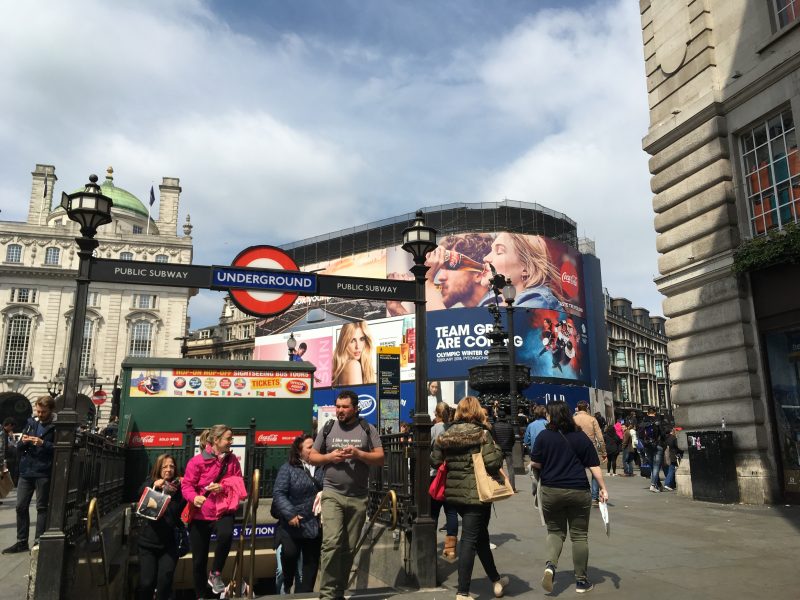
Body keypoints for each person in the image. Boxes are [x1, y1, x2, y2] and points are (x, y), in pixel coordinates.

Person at [307, 390, 384, 600]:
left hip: (359, 497)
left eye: (344, 407)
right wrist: (330, 457)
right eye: (338, 406)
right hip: (332, 493)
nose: (340, 411)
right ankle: (327, 594)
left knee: (348, 549)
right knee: (331, 542)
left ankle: (338, 591)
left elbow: (380, 458)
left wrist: (359, 454)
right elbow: (312, 457)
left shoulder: (367, 429)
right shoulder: (328, 428)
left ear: (355, 408)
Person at [430, 396, 509, 600]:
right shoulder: (482, 433)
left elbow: (434, 460)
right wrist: (498, 450)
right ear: (476, 411)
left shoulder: (447, 433)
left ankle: (495, 579)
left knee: (480, 537)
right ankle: (462, 592)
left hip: (453, 494)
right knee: (469, 540)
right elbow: (492, 463)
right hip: (476, 494)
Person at [531, 401, 609, 594]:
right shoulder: (580, 437)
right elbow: (594, 465)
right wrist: (603, 488)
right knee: (579, 536)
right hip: (578, 490)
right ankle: (581, 581)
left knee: (555, 532)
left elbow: (535, 463)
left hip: (551, 491)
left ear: (551, 416)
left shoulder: (544, 436)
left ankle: (550, 566)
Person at [181, 424, 245, 597]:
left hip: (223, 511)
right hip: (200, 515)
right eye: (228, 438)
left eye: (231, 438)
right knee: (198, 561)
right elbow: (187, 485)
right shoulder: (197, 461)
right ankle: (201, 595)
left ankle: (215, 573)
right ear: (216, 440)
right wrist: (194, 497)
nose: (231, 441)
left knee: (226, 534)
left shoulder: (232, 460)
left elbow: (238, 481)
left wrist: (222, 486)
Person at [3, 396, 56, 554]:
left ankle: (38, 541)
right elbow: (18, 447)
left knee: (41, 507)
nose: (40, 414)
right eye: (38, 411)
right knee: (20, 506)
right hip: (26, 470)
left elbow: (61, 449)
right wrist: (24, 441)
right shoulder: (31, 423)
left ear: (50, 411)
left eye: (43, 412)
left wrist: (43, 443)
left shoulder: (56, 426)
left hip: (43, 471)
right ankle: (21, 541)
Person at [272, 435, 324, 593]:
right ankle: (287, 583)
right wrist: (291, 514)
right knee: (289, 554)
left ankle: (305, 595)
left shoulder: (323, 467)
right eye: (309, 447)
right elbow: (279, 493)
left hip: (314, 524)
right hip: (292, 524)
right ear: (299, 451)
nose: (313, 449)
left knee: (311, 565)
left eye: (315, 446)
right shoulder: (287, 468)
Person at [137, 454, 186, 600]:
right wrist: (154, 486)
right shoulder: (151, 483)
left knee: (165, 581)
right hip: (148, 543)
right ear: (158, 469)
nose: (168, 469)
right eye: (165, 466)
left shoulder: (179, 488)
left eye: (171, 466)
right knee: (147, 583)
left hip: (169, 544)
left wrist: (187, 484)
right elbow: (139, 493)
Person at [481, 232, 565, 310]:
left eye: (499, 252)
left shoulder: (537, 300)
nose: (485, 258)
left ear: (526, 268)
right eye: (491, 251)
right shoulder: (491, 299)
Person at [424, 233, 494, 310]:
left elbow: (444, 322)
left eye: (450, 267)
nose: (440, 277)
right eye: (441, 268)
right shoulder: (474, 317)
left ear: (479, 273)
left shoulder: (498, 306)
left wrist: (426, 282)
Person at [430, 402, 459, 562]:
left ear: (436, 413)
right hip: (452, 474)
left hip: (436, 474)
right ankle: (450, 549)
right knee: (451, 511)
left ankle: (430, 544)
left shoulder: (434, 429)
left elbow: (428, 451)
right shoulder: (453, 429)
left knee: (433, 511)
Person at [572, 401, 606, 506]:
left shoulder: (572, 419)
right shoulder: (592, 419)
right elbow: (600, 437)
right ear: (587, 408)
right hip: (590, 447)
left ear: (577, 408)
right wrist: (603, 452)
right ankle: (594, 497)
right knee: (595, 470)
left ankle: (577, 494)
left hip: (574, 447)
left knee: (576, 470)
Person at [332, 321, 375, 386]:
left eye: (362, 339)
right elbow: (357, 396)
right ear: (344, 343)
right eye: (352, 340)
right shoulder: (353, 365)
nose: (357, 346)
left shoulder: (342, 368)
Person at [637, 408, 667, 493]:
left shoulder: (643, 423)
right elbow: (663, 434)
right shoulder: (658, 421)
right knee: (657, 466)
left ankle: (658, 484)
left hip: (647, 446)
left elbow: (639, 435)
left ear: (647, 413)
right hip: (657, 445)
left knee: (652, 465)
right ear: (655, 413)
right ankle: (653, 485)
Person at [491, 410, 517, 493]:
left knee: (500, 468)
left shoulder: (494, 426)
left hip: (499, 449)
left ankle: (501, 485)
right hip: (508, 449)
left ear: (498, 417)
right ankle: (512, 487)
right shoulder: (510, 426)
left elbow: (493, 439)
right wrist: (509, 446)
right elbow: (513, 439)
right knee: (511, 469)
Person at [662, 426, 682, 491]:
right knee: (671, 470)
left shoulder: (665, 438)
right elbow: (678, 447)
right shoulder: (673, 438)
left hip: (667, 456)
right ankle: (667, 484)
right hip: (673, 455)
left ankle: (671, 484)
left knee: (670, 469)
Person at [2, 416, 18, 485]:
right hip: (4, 458)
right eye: (12, 427)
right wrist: (4, 460)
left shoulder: (4, 433)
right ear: (9, 425)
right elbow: (3, 448)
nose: (12, 429)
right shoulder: (3, 433)